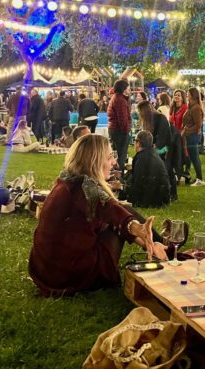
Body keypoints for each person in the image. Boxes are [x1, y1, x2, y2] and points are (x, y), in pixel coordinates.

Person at [28, 134, 166, 297]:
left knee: (121, 215)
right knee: (123, 214)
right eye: (109, 157)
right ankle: (163, 248)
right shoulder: (85, 189)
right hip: (70, 277)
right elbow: (113, 211)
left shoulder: (66, 181)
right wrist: (136, 227)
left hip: (46, 272)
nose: (114, 162)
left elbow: (108, 213)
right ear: (94, 161)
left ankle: (158, 246)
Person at [137, 100, 177, 200]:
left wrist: (154, 147)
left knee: (167, 170)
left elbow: (162, 137)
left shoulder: (161, 118)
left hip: (165, 148)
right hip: (154, 148)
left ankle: (173, 193)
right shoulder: (147, 120)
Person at [122, 130, 170, 208]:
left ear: (138, 143)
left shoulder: (142, 158)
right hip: (162, 197)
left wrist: (123, 189)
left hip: (153, 199)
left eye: (135, 140)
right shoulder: (152, 153)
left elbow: (137, 183)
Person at [182, 87, 205, 186]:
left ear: (193, 95)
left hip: (193, 136)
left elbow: (198, 125)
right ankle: (198, 178)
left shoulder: (196, 108)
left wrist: (186, 131)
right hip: (191, 135)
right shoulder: (192, 107)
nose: (187, 94)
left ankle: (200, 179)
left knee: (195, 158)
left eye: (188, 93)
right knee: (193, 157)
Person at [107, 80, 132, 174]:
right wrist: (126, 131)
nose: (129, 90)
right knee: (121, 156)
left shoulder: (117, 98)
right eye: (128, 88)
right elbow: (122, 118)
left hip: (115, 129)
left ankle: (116, 174)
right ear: (123, 89)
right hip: (119, 130)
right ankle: (119, 176)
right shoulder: (120, 100)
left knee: (118, 155)